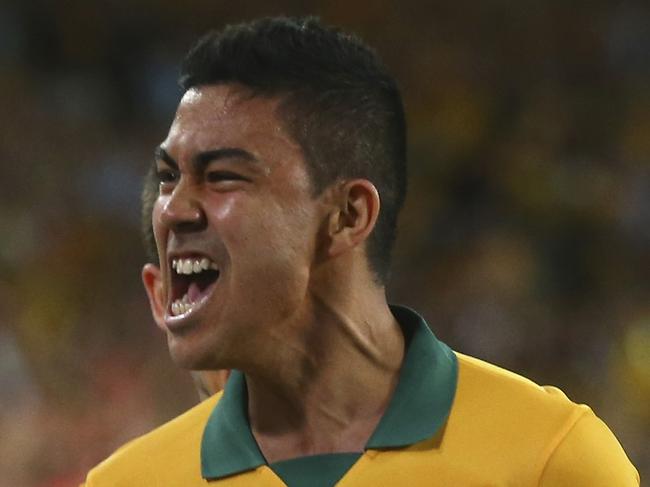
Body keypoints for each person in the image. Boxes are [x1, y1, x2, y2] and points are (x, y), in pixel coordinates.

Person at [83, 16, 639, 486]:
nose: (173, 210)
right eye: (168, 177)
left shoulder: (548, 459)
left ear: (348, 215)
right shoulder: (129, 480)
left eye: (222, 176)